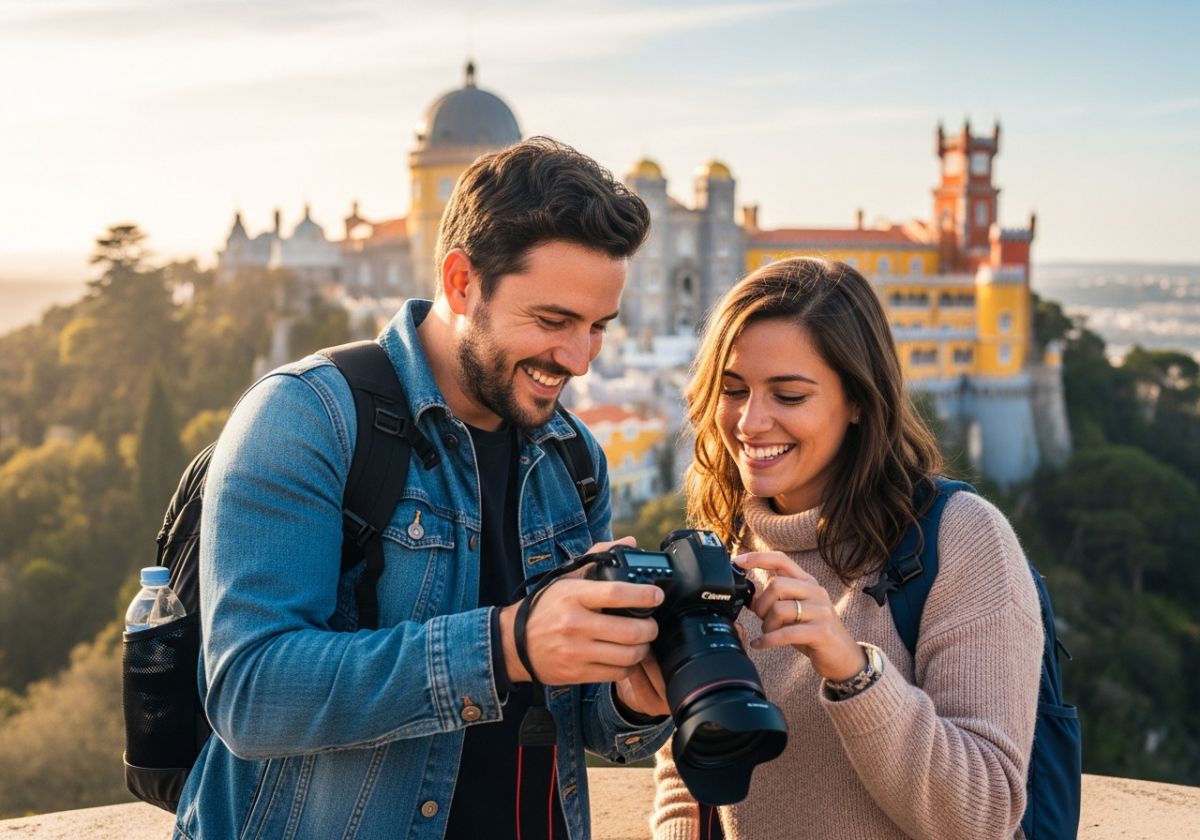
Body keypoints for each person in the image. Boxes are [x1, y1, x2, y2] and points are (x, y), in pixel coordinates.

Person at [176, 137, 672, 840]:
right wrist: (505, 645)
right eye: (554, 321)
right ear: (462, 281)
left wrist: (635, 695)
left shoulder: (574, 457)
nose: (579, 359)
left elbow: (580, 716)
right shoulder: (308, 419)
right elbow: (252, 694)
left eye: (597, 328)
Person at [652, 257, 1043, 840]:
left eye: (788, 395)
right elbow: (684, 775)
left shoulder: (960, 540)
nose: (750, 421)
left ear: (858, 400)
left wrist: (853, 672)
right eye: (732, 390)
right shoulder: (726, 536)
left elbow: (985, 814)